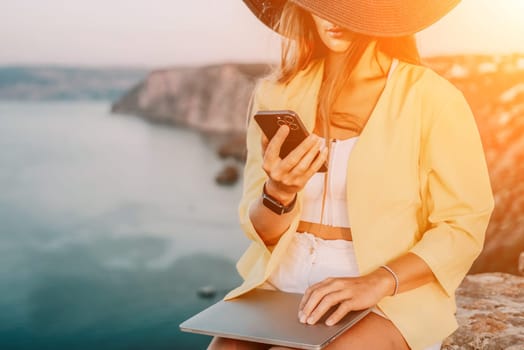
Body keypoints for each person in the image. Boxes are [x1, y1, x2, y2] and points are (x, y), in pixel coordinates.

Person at [209, 0, 494, 349]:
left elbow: (463, 226)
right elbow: (261, 232)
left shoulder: (432, 98)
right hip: (281, 280)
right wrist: (279, 192)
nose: (332, 17)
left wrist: (378, 281)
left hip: (388, 291)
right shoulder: (276, 94)